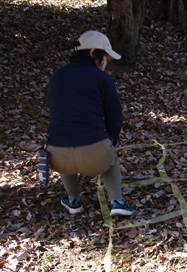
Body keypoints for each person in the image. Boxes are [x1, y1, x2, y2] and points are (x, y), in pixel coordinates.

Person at [46, 30, 134, 217]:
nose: (105, 64)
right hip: (95, 155)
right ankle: (117, 201)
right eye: (105, 58)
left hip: (57, 156)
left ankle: (73, 200)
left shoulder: (57, 76)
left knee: (65, 140)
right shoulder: (101, 78)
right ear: (93, 52)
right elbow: (114, 115)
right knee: (111, 157)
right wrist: (113, 138)